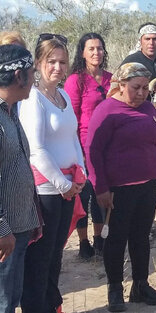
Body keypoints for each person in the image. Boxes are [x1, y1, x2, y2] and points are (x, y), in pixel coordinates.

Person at [86, 62, 156, 311]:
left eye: (145, 88)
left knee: (141, 237)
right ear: (121, 85)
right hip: (118, 189)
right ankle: (115, 290)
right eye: (136, 87)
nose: (141, 93)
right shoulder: (107, 110)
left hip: (148, 184)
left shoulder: (149, 108)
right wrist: (100, 187)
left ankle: (140, 286)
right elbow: (93, 150)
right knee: (116, 239)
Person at [19, 34, 85, 313]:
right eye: (51, 61)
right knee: (40, 258)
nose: (57, 67)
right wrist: (62, 183)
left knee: (56, 255)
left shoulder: (64, 96)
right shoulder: (33, 99)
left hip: (69, 187)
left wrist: (81, 174)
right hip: (46, 189)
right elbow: (36, 149)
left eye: (62, 61)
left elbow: (72, 137)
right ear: (38, 63)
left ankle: (51, 304)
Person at [0, 44, 41, 313]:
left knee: (11, 299)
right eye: (31, 72)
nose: (33, 79)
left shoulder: (12, 113)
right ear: (18, 76)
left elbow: (18, 166)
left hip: (20, 225)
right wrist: (2, 229)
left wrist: (33, 216)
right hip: (5, 233)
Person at [64, 32, 112, 259]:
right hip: (83, 145)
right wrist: (77, 151)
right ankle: (83, 241)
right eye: (91, 48)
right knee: (84, 195)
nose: (96, 53)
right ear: (82, 52)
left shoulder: (112, 78)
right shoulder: (76, 80)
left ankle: (100, 238)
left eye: (100, 48)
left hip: (110, 146)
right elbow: (71, 115)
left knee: (103, 191)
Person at [121, 23, 156, 99]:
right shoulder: (131, 62)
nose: (151, 43)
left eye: (155, 39)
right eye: (147, 39)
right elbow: (119, 88)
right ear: (140, 41)